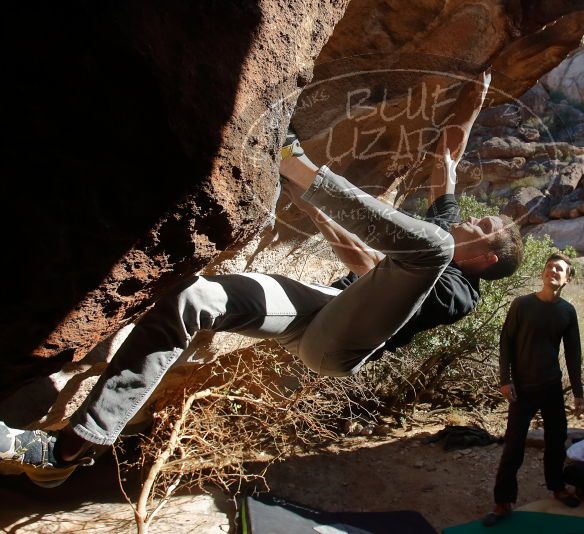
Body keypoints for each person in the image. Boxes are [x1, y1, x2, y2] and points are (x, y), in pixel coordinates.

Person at [1, 71, 523, 488]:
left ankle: (296, 162)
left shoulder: (459, 292)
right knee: (194, 298)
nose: (469, 219)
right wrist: (475, 97)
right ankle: (66, 451)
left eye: (482, 227)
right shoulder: (438, 233)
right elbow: (446, 163)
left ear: (487, 262)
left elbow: (371, 270)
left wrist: (307, 187)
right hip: (324, 304)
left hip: (339, 345)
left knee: (428, 247)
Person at [483, 252, 584, 527]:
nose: (553, 271)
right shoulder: (522, 305)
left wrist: (578, 393)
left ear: (567, 279)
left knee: (557, 440)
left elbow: (573, 354)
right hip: (523, 389)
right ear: (543, 273)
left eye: (560, 269)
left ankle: (557, 487)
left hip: (551, 387)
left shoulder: (567, 311)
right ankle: (502, 502)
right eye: (550, 267)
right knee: (513, 447)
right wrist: (505, 380)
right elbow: (506, 342)